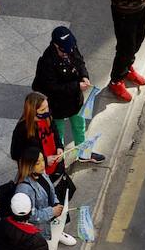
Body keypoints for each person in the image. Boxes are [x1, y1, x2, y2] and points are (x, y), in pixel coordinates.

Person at [31, 27, 103, 164]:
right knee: (59, 134)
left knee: (79, 126)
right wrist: (76, 86)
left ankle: (83, 153)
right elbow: (52, 87)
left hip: (74, 100)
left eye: (70, 49)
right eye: (63, 50)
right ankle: (59, 161)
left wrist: (84, 76)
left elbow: (80, 62)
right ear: (55, 45)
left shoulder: (70, 48)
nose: (68, 52)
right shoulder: (46, 62)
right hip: (56, 104)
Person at [11, 92, 77, 211]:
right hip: (39, 172)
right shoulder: (22, 129)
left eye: (47, 107)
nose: (47, 111)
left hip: (55, 167)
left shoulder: (47, 118)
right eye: (42, 110)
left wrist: (59, 147)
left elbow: (55, 133)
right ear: (32, 111)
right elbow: (15, 153)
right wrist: (45, 160)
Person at [15, 146, 74, 247]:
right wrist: (52, 211)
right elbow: (30, 216)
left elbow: (51, 192)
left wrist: (56, 204)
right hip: (38, 230)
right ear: (29, 165)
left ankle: (56, 232)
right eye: (38, 163)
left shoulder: (41, 174)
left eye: (43, 160)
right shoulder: (24, 189)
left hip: (50, 218)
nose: (43, 165)